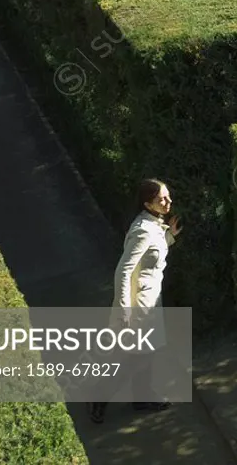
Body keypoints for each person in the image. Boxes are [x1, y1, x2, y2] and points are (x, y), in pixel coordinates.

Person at [87, 178, 184, 424]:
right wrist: (124, 309)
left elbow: (152, 257)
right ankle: (99, 397)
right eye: (162, 198)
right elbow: (123, 270)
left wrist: (169, 237)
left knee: (145, 353)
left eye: (168, 196)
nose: (168, 201)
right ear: (147, 203)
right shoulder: (143, 229)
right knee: (136, 357)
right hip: (138, 305)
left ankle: (142, 397)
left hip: (150, 300)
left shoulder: (154, 226)